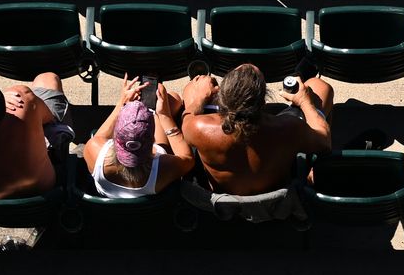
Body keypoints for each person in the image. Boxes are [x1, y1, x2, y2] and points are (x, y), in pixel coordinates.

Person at [182, 65, 334, 195]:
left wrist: (197, 99)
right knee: (319, 86)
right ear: (263, 103)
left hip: (223, 194)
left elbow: (187, 117)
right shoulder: (289, 128)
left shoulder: (198, 128)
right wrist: (304, 101)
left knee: (190, 89)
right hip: (275, 190)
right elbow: (324, 142)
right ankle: (312, 171)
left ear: (221, 100)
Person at [81, 77, 197, 197]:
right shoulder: (164, 166)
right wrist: (164, 115)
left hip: (110, 212)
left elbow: (99, 137)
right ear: (153, 140)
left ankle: (151, 110)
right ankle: (153, 111)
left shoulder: (93, 151)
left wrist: (122, 102)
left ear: (115, 134)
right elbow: (187, 159)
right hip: (154, 186)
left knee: (172, 101)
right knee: (174, 99)